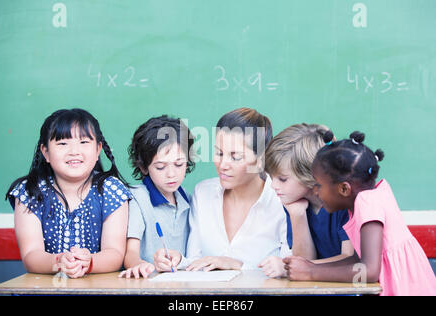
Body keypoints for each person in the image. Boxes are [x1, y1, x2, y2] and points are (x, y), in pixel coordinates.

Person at [284, 131, 436, 296]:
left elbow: (369, 272)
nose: (315, 191)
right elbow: (358, 261)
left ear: (344, 188)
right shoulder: (361, 204)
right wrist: (310, 266)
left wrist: (310, 273)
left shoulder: (367, 203)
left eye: (319, 185)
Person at [154, 107, 290, 272]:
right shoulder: (203, 193)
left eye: (235, 157)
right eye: (219, 153)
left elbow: (287, 268)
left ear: (261, 159)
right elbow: (196, 261)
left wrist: (238, 265)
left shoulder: (280, 199)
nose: (223, 165)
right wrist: (178, 261)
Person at [6, 108, 130, 278]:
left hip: (99, 287)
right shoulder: (29, 191)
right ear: (46, 152)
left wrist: (89, 262)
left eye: (84, 142)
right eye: (63, 143)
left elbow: (115, 253)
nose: (74, 151)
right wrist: (58, 261)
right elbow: (31, 255)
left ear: (98, 150)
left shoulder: (112, 190)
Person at [260, 123, 353, 278]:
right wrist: (298, 215)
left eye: (282, 179)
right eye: (271, 177)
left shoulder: (345, 201)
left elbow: (349, 260)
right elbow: (306, 260)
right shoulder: (294, 200)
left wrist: (287, 267)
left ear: (311, 176)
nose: (273, 186)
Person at [119, 115, 195, 278]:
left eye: (179, 164)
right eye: (160, 167)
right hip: (147, 284)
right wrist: (139, 265)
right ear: (143, 167)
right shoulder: (137, 198)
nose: (171, 174)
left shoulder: (188, 199)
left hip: (182, 285)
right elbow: (130, 253)